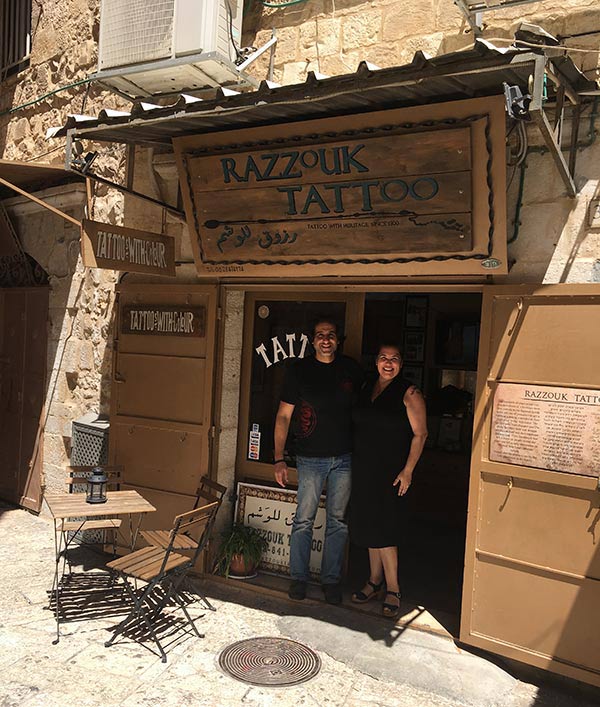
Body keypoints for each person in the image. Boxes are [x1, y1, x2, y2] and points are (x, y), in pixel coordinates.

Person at [273, 318, 363, 605]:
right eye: (320, 335)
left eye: (331, 335)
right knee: (303, 520)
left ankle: (331, 581)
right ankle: (298, 578)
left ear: (338, 339)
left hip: (344, 458)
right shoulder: (299, 371)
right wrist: (278, 458)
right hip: (310, 458)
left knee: (338, 521)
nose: (326, 339)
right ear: (312, 341)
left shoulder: (351, 369)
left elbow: (368, 407)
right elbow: (284, 416)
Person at [349, 343, 427, 618]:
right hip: (364, 469)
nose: (388, 363)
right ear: (376, 362)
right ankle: (374, 581)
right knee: (370, 526)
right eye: (383, 358)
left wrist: (408, 470)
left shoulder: (409, 393)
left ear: (401, 364)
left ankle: (393, 589)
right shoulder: (368, 386)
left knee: (385, 529)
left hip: (391, 473)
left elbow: (421, 434)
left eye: (394, 359)